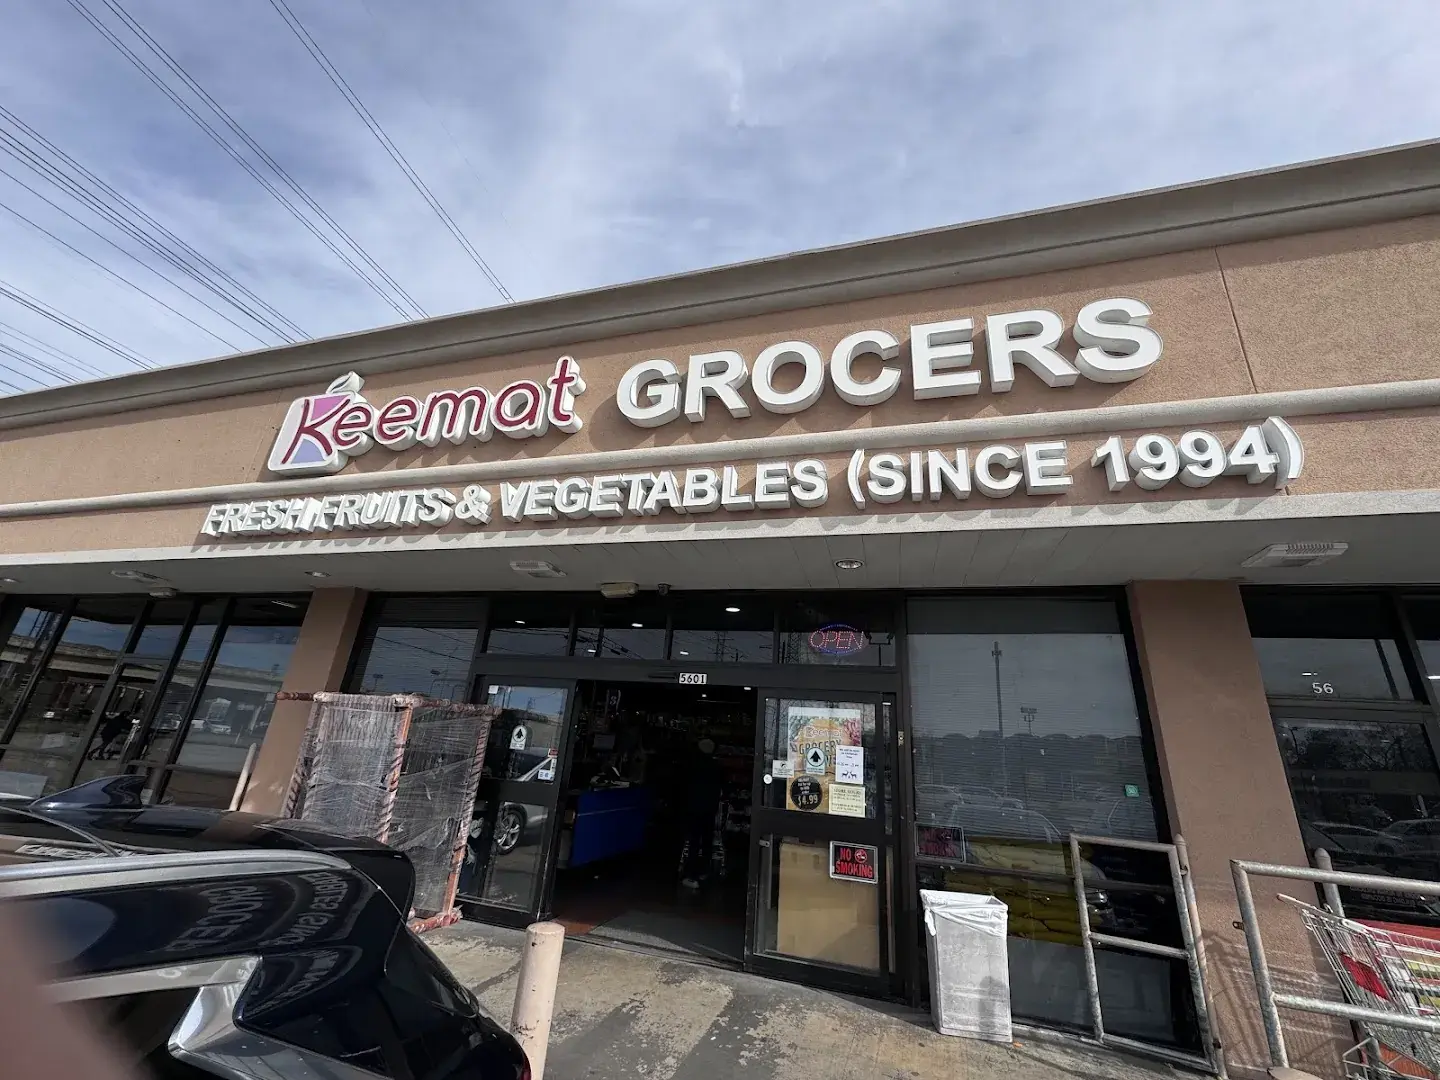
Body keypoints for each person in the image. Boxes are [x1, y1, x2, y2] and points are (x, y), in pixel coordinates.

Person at [680, 737, 724, 889]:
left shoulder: (692, 765)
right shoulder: (715, 766)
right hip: (709, 809)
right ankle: (704, 871)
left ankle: (690, 874)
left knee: (693, 841)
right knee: (706, 840)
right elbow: (719, 787)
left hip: (693, 808)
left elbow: (685, 786)